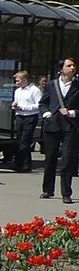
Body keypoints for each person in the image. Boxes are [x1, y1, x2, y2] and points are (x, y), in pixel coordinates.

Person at [42, 57, 79, 204]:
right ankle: (47, 189)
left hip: (71, 126)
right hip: (53, 125)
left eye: (74, 66)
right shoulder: (52, 85)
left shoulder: (77, 85)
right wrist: (46, 114)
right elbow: (43, 103)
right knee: (50, 158)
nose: (72, 68)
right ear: (61, 69)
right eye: (69, 65)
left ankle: (66, 192)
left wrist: (72, 113)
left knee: (67, 160)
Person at [11, 70, 43, 173]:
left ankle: (23, 165)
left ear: (25, 80)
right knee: (19, 140)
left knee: (25, 140)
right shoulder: (17, 91)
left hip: (30, 117)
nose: (16, 83)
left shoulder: (34, 90)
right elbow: (17, 102)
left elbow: (39, 105)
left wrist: (24, 107)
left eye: (18, 80)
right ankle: (21, 163)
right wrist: (14, 106)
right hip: (20, 116)